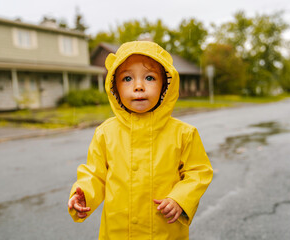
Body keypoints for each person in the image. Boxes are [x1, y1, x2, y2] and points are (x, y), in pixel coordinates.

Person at [68, 41, 213, 239]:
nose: (138, 86)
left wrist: (180, 199)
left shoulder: (184, 133)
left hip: (164, 231)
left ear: (165, 85)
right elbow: (95, 175)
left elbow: (198, 172)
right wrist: (83, 193)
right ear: (114, 86)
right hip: (118, 231)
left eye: (150, 78)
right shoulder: (105, 133)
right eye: (127, 78)